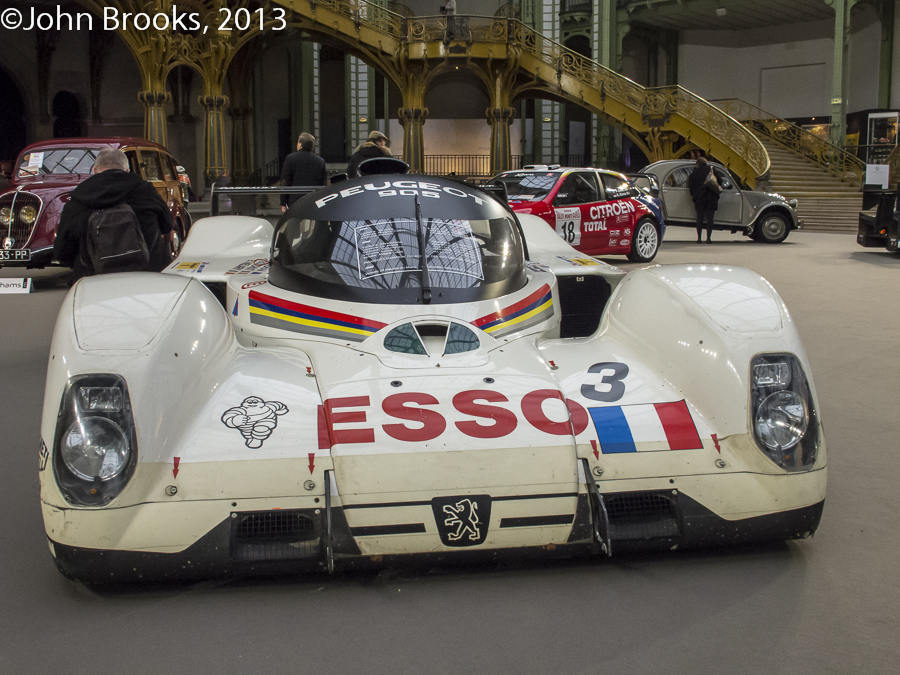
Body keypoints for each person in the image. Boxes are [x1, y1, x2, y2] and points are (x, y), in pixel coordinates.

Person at [54, 148, 173, 283]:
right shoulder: (145, 192)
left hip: (94, 281)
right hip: (147, 277)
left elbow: (62, 251)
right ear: (127, 170)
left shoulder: (78, 200)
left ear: (94, 170)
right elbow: (167, 225)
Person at [280, 132, 327, 212]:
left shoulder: (290, 158)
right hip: (314, 200)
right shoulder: (320, 161)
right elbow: (323, 183)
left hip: (295, 200)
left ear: (300, 143)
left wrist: (283, 202)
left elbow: (285, 181)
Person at [687, 156, 720, 243]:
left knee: (699, 218)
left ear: (698, 164)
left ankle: (699, 238)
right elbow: (719, 181)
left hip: (699, 198)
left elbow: (691, 188)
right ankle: (708, 238)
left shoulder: (694, 174)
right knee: (710, 219)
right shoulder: (712, 170)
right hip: (711, 198)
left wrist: (695, 197)